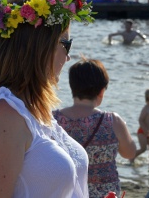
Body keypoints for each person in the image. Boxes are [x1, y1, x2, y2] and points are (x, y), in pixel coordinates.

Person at [0, 0, 95, 197]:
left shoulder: (31, 108)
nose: (68, 56)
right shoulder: (3, 113)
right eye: (66, 44)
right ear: (38, 47)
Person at [53, 57, 136, 197]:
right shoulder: (112, 120)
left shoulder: (54, 119)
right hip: (105, 194)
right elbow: (130, 153)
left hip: (67, 192)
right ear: (101, 91)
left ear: (72, 87)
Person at [131, 88, 149, 165]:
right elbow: (140, 120)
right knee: (143, 148)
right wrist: (145, 130)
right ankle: (132, 157)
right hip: (142, 132)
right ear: (147, 99)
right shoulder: (145, 109)